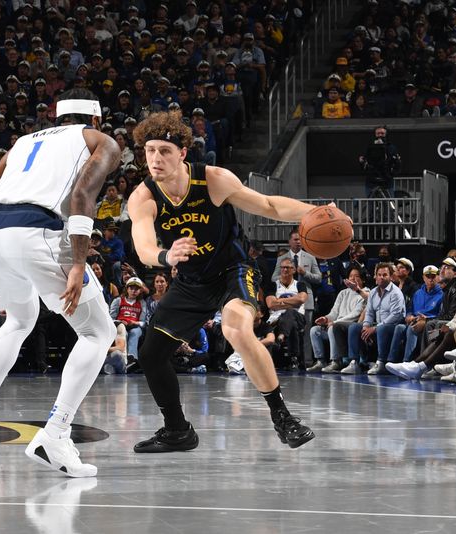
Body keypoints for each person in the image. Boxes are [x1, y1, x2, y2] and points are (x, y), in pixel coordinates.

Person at [0, 89, 121, 477]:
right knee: (99, 332)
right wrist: (79, 263)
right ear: (95, 119)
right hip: (36, 231)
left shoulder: (22, 144)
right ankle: (56, 433)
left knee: (18, 320)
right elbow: (83, 194)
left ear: (58, 116)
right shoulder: (101, 140)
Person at [126, 109, 337, 451]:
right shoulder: (144, 197)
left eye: (164, 150)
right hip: (192, 281)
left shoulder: (212, 179)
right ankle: (178, 430)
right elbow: (143, 246)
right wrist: (166, 256)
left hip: (232, 270)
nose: (155, 158)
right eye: (150, 150)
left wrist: (311, 212)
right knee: (150, 353)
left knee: (235, 328)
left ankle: (283, 417)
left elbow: (269, 205)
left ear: (182, 152)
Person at [358, 125, 401, 197]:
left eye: (382, 133)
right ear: (374, 135)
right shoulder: (368, 147)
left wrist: (392, 172)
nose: (380, 135)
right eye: (378, 133)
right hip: (371, 181)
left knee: (389, 205)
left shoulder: (391, 147)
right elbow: (363, 162)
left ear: (386, 134)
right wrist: (362, 162)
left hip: (387, 181)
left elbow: (397, 163)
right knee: (370, 205)